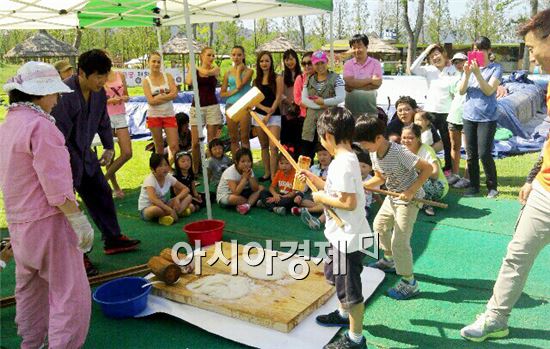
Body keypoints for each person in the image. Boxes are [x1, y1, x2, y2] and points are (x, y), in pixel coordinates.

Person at [461, 9, 550, 342]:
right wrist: (530, 177)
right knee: (516, 255)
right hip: (544, 191)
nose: (531, 57)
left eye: (531, 47)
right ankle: (496, 319)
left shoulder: (496, 70)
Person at [0, 61, 92, 348]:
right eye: (54, 93)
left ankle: (31, 343)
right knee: (69, 294)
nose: (57, 99)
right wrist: (77, 219)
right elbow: (56, 184)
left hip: (19, 225)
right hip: (49, 223)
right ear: (40, 94)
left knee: (30, 291)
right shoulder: (41, 127)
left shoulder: (7, 126)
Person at [51, 50, 140, 261]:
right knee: (69, 208)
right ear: (82, 73)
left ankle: (113, 238)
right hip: (64, 157)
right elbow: (58, 135)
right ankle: (78, 256)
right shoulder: (64, 95)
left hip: (86, 154)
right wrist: (65, 164)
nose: (102, 81)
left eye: (105, 75)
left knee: (102, 192)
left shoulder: (99, 93)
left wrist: (109, 147)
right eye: (98, 76)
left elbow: (103, 121)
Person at [300, 107, 371, 349]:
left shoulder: (342, 164)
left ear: (328, 136)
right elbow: (335, 191)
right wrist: (312, 178)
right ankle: (342, 316)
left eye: (321, 138)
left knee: (351, 292)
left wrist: (319, 199)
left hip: (348, 239)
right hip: (341, 235)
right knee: (335, 277)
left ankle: (356, 339)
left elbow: (347, 202)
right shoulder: (345, 158)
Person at [356, 116, 431, 300]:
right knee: (379, 226)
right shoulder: (374, 152)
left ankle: (409, 282)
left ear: (379, 138)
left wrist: (411, 190)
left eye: (366, 144)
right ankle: (389, 260)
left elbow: (427, 168)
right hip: (393, 196)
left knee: (400, 242)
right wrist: (362, 185)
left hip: (409, 200)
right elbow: (380, 177)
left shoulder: (399, 152)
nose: (364, 149)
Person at [458, 36, 503, 198]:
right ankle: (474, 186)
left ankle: (492, 186)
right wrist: (468, 74)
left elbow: (489, 90)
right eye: (474, 49)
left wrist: (477, 73)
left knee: (484, 153)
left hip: (487, 117)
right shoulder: (468, 68)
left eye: (480, 49)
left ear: (488, 51)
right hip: (469, 116)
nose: (476, 52)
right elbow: (461, 91)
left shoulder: (496, 68)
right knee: (471, 154)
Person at [410, 44, 458, 172]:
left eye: (437, 54)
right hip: (430, 112)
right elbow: (413, 68)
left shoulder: (452, 69)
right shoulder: (429, 70)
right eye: (432, 56)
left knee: (447, 142)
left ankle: (448, 167)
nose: (435, 58)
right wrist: (426, 51)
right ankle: (421, 166)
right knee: (424, 140)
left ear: (444, 54)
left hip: (447, 112)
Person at [301, 50, 346, 159]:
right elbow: (304, 99)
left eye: (322, 62)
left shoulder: (336, 78)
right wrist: (320, 105)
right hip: (310, 123)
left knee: (328, 151)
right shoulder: (309, 79)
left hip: (329, 121)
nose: (320, 66)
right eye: (317, 63)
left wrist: (324, 102)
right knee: (307, 153)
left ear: (327, 62)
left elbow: (341, 97)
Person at [186, 47, 224, 173]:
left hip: (212, 107)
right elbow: (188, 81)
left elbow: (207, 74)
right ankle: (195, 170)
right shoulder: (194, 69)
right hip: (196, 107)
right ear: (202, 56)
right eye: (209, 55)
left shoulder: (215, 69)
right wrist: (192, 68)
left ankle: (211, 170)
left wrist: (194, 66)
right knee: (196, 142)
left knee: (211, 141)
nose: (212, 58)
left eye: (213, 55)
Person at [401, 124, 449, 216]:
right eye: (404, 137)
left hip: (438, 186)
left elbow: (435, 174)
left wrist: (417, 171)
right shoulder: (401, 150)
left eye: (410, 138)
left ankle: (427, 203)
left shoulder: (426, 150)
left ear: (418, 138)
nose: (406, 141)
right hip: (414, 183)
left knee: (415, 177)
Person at [253, 51, 284, 181]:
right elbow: (254, 100)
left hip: (274, 116)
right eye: (261, 61)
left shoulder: (278, 78)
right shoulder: (256, 81)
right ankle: (266, 173)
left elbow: (278, 97)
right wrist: (264, 109)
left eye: (267, 61)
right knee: (264, 146)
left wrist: (269, 112)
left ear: (271, 62)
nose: (264, 63)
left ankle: (274, 175)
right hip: (259, 115)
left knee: (273, 146)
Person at [143, 51, 179, 163]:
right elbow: (151, 101)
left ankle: (168, 167)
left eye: (158, 62)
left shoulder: (168, 76)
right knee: (158, 147)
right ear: (148, 63)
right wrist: (167, 96)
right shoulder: (146, 81)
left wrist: (159, 97)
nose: (156, 64)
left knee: (174, 146)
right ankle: (160, 170)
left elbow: (175, 94)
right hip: (154, 116)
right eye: (153, 61)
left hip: (169, 114)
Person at [139, 153, 194, 226]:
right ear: (153, 169)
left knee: (188, 197)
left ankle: (169, 216)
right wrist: (170, 210)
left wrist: (178, 198)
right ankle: (175, 213)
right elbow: (153, 200)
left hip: (164, 204)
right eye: (160, 166)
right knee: (156, 209)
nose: (164, 168)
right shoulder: (150, 180)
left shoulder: (168, 177)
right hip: (148, 208)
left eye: (166, 165)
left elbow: (185, 189)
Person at [104, 65, 132, 199]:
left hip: (120, 115)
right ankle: (115, 186)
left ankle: (103, 180)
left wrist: (125, 97)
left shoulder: (120, 74)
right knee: (110, 154)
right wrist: (110, 100)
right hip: (106, 117)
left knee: (127, 153)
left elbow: (126, 94)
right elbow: (96, 100)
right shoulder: (100, 78)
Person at [220, 45, 253, 159]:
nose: (236, 57)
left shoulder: (249, 71)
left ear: (243, 56)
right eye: (233, 55)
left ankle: (247, 163)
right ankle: (236, 164)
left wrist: (238, 70)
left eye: (239, 55)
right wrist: (233, 92)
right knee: (233, 138)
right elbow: (222, 93)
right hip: (231, 105)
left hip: (244, 105)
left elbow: (240, 85)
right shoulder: (228, 73)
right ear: (230, 56)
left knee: (244, 137)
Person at [343, 33, 383, 119]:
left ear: (366, 46)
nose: (357, 50)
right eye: (354, 47)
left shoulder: (375, 63)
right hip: (350, 113)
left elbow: (378, 82)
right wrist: (370, 80)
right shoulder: (348, 64)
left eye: (360, 46)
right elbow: (349, 82)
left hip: (370, 113)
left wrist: (354, 86)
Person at [292, 143, 331, 230]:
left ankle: (305, 211)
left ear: (331, 154)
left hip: (326, 196)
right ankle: (319, 208)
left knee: (331, 205)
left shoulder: (333, 169)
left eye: (325, 154)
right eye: (319, 155)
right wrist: (299, 194)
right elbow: (305, 186)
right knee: (300, 200)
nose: (322, 157)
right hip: (312, 197)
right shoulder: (313, 168)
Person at [447, 52, 471, 188]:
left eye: (461, 61)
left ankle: (467, 177)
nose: (458, 64)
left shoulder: (473, 76)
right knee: (454, 147)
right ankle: (455, 174)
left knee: (469, 149)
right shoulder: (453, 78)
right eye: (455, 62)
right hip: (454, 116)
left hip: (468, 116)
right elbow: (452, 95)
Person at [216, 147, 264, 215]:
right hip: (226, 196)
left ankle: (246, 206)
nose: (246, 164)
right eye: (243, 161)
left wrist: (249, 177)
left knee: (261, 187)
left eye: (249, 161)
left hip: (243, 192)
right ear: (236, 161)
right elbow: (236, 192)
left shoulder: (249, 169)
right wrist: (244, 178)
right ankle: (252, 202)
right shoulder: (230, 171)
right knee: (235, 198)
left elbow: (255, 188)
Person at [280, 49, 303, 157]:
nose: (289, 62)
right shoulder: (282, 76)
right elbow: (279, 93)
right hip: (286, 112)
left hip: (300, 112)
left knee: (299, 140)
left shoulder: (303, 75)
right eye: (286, 60)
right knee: (286, 140)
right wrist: (289, 101)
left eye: (291, 59)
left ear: (296, 59)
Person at [293, 51, 314, 155]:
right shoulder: (300, 78)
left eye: (309, 63)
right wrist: (314, 104)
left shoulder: (324, 78)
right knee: (306, 151)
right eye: (304, 64)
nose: (306, 66)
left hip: (322, 119)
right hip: (305, 118)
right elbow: (297, 99)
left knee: (322, 150)